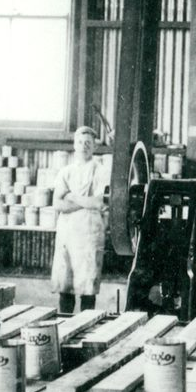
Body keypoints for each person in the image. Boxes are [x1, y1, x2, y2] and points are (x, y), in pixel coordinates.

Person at [51, 126, 110, 314]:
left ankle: (86, 326)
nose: (84, 146)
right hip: (67, 234)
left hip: (89, 233)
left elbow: (99, 202)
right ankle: (65, 324)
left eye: (88, 143)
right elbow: (57, 205)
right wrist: (85, 202)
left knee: (88, 287)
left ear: (94, 147)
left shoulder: (101, 171)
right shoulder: (65, 172)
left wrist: (71, 196)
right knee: (65, 285)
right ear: (74, 145)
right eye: (80, 142)